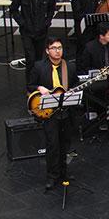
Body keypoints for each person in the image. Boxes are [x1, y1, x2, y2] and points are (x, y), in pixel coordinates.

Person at [28, 36, 79, 191]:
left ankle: (63, 172)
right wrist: (39, 88)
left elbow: (76, 83)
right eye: (54, 48)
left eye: (60, 48)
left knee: (65, 143)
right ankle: (52, 175)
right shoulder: (39, 67)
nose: (58, 51)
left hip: (66, 112)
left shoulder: (69, 67)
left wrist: (72, 91)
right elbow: (29, 85)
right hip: (49, 113)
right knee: (52, 144)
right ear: (47, 51)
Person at [10, 0, 57, 84]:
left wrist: (48, 21)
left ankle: (41, 83)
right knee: (30, 59)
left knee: (40, 59)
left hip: (42, 30)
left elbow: (52, 7)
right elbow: (13, 9)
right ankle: (30, 85)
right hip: (27, 31)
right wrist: (22, 23)